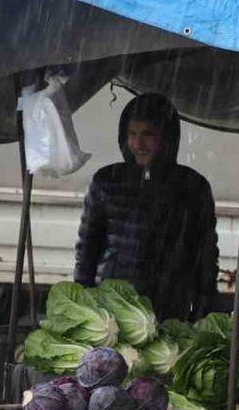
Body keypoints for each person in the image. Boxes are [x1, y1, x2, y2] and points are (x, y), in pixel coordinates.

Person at [74, 93, 219, 322]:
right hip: (112, 312)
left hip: (170, 312)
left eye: (148, 135)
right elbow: (87, 251)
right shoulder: (106, 182)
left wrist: (204, 308)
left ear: (167, 138)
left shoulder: (192, 187)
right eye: (132, 134)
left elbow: (206, 256)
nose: (138, 144)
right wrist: (82, 305)